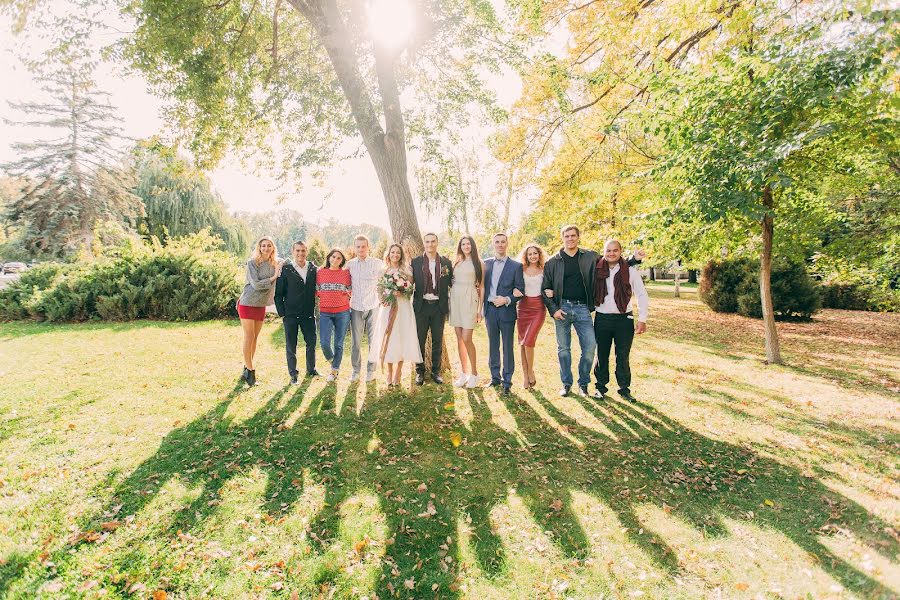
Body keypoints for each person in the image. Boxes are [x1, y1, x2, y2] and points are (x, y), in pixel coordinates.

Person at [542, 225, 642, 397]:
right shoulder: (553, 261)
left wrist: (633, 259)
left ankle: (583, 384)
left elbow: (612, 261)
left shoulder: (590, 257)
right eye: (567, 236)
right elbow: (545, 289)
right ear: (562, 238)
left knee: (589, 348)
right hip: (562, 309)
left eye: (573, 235)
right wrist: (554, 309)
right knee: (563, 349)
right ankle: (566, 384)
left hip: (582, 308)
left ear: (578, 237)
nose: (570, 239)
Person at [593, 239, 649, 402]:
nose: (611, 253)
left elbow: (641, 294)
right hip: (602, 318)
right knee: (601, 355)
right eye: (608, 250)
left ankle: (624, 389)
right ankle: (600, 388)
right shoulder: (597, 269)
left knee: (622, 356)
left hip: (624, 319)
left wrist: (642, 318)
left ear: (620, 252)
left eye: (615, 250)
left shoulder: (630, 270)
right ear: (604, 252)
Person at [369, 243, 422, 387]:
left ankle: (399, 371)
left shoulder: (406, 269)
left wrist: (402, 292)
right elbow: (379, 288)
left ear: (401, 255)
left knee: (402, 337)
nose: (395, 255)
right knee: (389, 338)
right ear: (389, 254)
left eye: (398, 253)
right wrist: (383, 299)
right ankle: (389, 372)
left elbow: (410, 289)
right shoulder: (383, 270)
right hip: (388, 308)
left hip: (403, 307)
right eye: (393, 252)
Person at [482, 233, 525, 395]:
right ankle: (495, 378)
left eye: (503, 242)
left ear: (507, 244)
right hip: (490, 311)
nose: (500, 244)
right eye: (497, 242)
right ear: (493, 244)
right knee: (493, 345)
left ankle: (507, 381)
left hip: (507, 311)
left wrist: (507, 299)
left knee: (507, 346)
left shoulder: (516, 266)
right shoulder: (485, 264)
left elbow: (521, 290)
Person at [237, 236, 282, 386]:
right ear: (259, 247)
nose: (266, 248)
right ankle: (250, 372)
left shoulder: (275, 263)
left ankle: (246, 367)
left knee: (255, 337)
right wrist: (274, 276)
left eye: (269, 245)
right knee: (249, 336)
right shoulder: (252, 263)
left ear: (273, 248)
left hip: (261, 304)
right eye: (263, 246)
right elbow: (256, 284)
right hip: (248, 302)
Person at [274, 240, 319, 385]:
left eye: (303, 250)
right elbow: (278, 294)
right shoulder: (286, 269)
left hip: (308, 314)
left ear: (307, 251)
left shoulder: (313, 269)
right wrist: (283, 313)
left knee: (311, 343)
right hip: (291, 315)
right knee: (291, 345)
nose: (300, 253)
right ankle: (293, 374)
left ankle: (311, 369)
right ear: (293, 252)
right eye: (297, 250)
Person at [411, 233, 453, 385]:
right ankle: (419, 371)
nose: (430, 244)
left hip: (438, 307)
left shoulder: (446, 263)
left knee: (437, 340)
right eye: (427, 242)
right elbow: (409, 282)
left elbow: (452, 282)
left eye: (433, 241)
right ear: (424, 243)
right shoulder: (415, 262)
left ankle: (436, 371)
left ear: (437, 243)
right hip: (421, 307)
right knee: (419, 341)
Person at [448, 235, 484, 389]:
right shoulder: (456, 261)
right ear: (460, 246)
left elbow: (481, 287)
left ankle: (474, 374)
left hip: (470, 299)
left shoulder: (478, 263)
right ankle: (464, 374)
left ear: (472, 245)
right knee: (459, 339)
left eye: (469, 243)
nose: (466, 246)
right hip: (456, 300)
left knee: (467, 337)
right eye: (463, 244)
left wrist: (479, 309)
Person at [347, 234, 381, 383]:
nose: (361, 249)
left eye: (363, 246)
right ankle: (355, 371)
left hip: (373, 306)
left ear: (368, 247)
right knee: (356, 342)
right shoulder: (349, 265)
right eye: (358, 246)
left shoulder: (377, 263)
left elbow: (388, 278)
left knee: (373, 341)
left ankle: (371, 371)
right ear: (354, 248)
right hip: (356, 307)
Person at [316, 248, 352, 382]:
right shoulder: (320, 272)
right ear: (328, 257)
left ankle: (334, 370)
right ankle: (333, 361)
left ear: (342, 261)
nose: (335, 260)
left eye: (338, 258)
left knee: (338, 344)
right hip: (325, 312)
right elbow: (316, 290)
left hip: (342, 312)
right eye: (333, 257)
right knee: (324, 343)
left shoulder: (345, 273)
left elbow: (350, 290)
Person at [516, 243, 548, 390]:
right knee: (522, 343)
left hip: (538, 308)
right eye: (530, 254)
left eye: (535, 253)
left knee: (529, 341)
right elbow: (515, 284)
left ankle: (530, 371)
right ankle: (525, 376)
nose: (533, 256)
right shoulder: (521, 269)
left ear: (539, 255)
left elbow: (550, 285)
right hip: (523, 307)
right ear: (526, 256)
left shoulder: (544, 270)